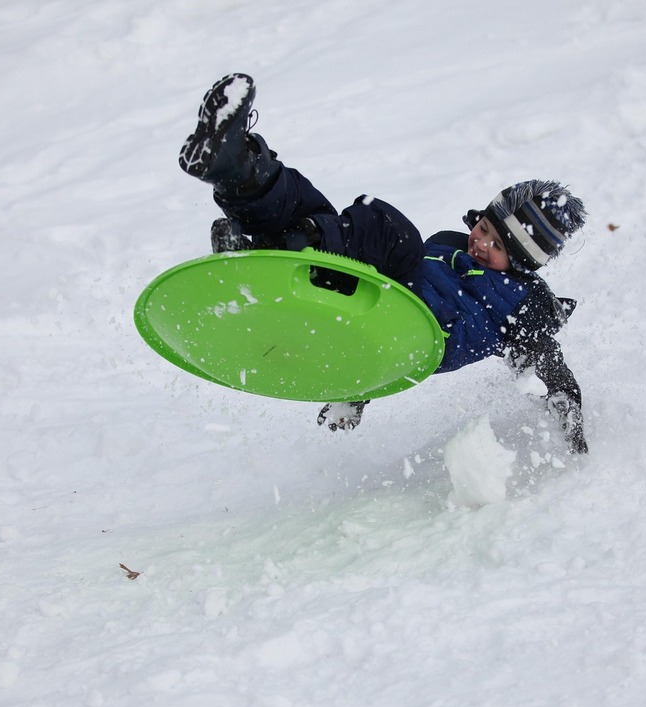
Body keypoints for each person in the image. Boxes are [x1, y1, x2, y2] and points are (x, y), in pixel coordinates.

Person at [178, 73, 588, 454]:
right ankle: (235, 168)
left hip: (416, 331)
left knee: (391, 232)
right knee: (310, 206)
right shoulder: (450, 246)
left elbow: (546, 361)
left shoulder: (522, 303)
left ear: (521, 263)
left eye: (497, 245)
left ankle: (287, 246)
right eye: (483, 227)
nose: (480, 243)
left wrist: (569, 413)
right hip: (374, 297)